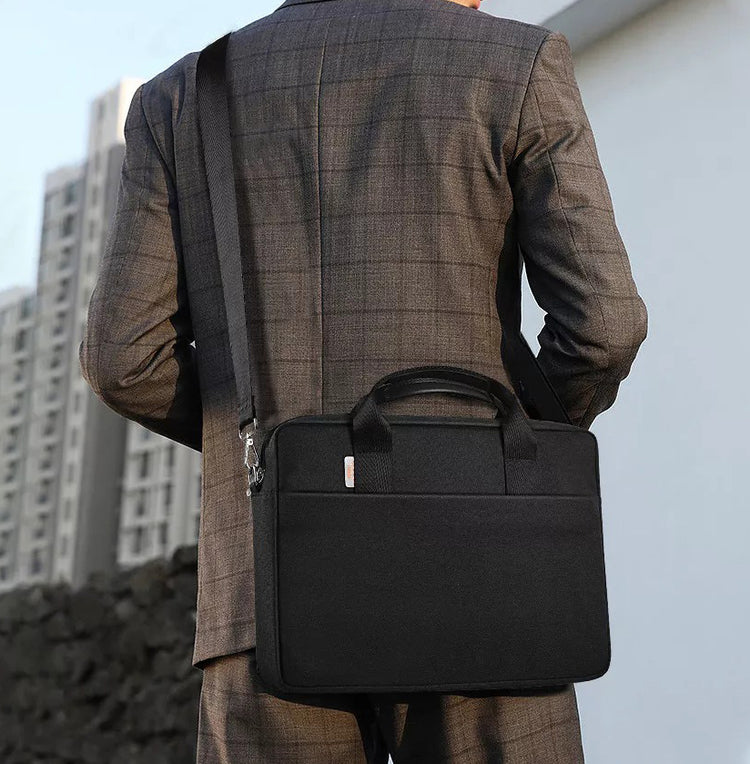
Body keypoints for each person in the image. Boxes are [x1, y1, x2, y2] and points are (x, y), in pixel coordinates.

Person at [78, 0, 648, 760]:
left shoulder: (182, 96)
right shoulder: (514, 64)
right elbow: (605, 327)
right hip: (485, 567)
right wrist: (499, 460)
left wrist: (283, 456)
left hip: (265, 586)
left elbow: (124, 359)